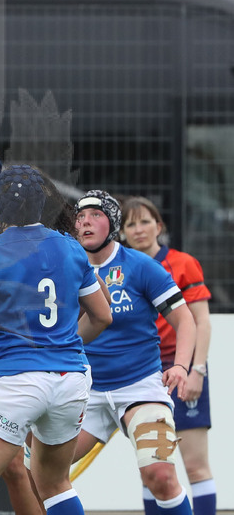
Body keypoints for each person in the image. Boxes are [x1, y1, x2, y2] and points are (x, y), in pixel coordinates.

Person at [0, 165, 112, 515]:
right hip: (70, 380)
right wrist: (60, 344)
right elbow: (103, 315)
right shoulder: (69, 248)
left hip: (16, 380)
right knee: (55, 484)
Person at [72, 190, 197, 515]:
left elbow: (186, 319)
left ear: (112, 223)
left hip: (140, 388)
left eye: (95, 214)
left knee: (159, 474)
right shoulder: (65, 265)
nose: (85, 221)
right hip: (85, 392)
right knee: (33, 468)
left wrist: (182, 366)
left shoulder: (140, 265)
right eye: (80, 216)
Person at [121, 197, 216, 515]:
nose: (139, 229)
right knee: (151, 468)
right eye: (130, 224)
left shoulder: (184, 263)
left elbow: (200, 321)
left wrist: (196, 370)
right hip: (142, 373)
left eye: (145, 221)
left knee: (195, 465)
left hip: (181, 366)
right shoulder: (118, 269)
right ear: (121, 233)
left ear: (159, 226)